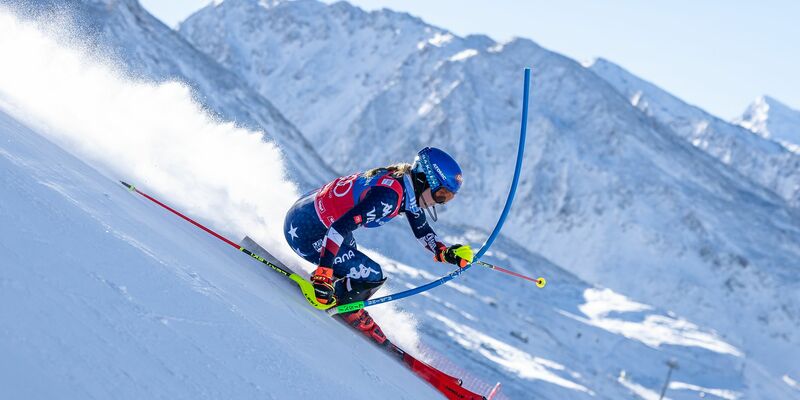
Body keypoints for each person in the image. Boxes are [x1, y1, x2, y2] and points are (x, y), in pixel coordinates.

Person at [283, 147, 473, 344]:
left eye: (448, 198)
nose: (440, 203)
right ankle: (343, 305)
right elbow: (338, 229)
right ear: (425, 179)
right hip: (306, 233)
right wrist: (324, 272)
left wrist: (444, 252)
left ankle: (334, 287)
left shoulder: (403, 184)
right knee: (371, 275)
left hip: (305, 214)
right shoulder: (388, 198)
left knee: (354, 270)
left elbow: (422, 229)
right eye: (441, 194)